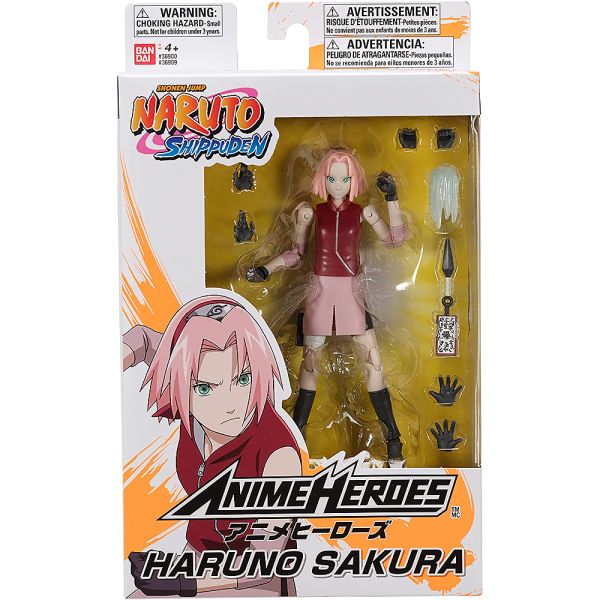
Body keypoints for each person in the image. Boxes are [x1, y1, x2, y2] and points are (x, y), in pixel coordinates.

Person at [122, 294, 301, 596]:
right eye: (205, 388)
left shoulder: (278, 455)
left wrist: (182, 582)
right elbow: (142, 339)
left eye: (243, 379)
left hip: (254, 582)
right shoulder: (193, 408)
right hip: (196, 557)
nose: (230, 405)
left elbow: (264, 563)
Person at [246, 149, 407, 465]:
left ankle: (394, 441)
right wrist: (266, 269)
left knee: (374, 361)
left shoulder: (363, 212)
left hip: (350, 292)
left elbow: (394, 240)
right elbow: (296, 254)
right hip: (320, 291)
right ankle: (296, 438)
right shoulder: (310, 213)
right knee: (309, 365)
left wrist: (392, 199)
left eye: (344, 179)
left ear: (353, 180)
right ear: (323, 179)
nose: (338, 184)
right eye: (332, 178)